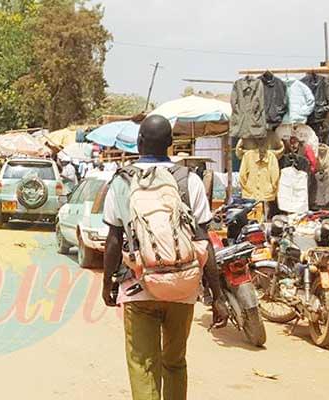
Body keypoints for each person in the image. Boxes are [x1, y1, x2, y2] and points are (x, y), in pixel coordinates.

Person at [102, 115, 227, 400]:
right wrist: (217, 295)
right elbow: (203, 241)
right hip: (182, 288)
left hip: (138, 287)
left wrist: (107, 283)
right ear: (171, 144)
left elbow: (113, 240)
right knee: (175, 361)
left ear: (139, 142)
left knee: (143, 365)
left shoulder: (122, 181)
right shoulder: (189, 179)